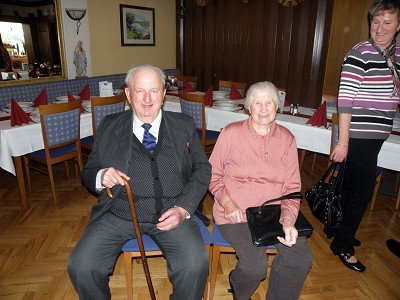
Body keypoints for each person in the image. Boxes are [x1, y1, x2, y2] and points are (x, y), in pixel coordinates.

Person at [68, 65, 211, 299]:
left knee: (194, 267)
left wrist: (183, 209)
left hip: (172, 214)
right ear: (127, 94)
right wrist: (101, 174)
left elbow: (202, 168)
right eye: (139, 91)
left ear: (164, 94)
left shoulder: (183, 124)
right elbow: (89, 169)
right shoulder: (109, 125)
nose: (147, 99)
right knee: (82, 266)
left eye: (154, 91)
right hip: (119, 213)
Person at [208, 81, 313, 300]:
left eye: (269, 103)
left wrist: (288, 220)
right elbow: (212, 174)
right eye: (257, 103)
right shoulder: (230, 133)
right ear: (248, 107)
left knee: (299, 258)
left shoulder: (286, 139)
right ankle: (239, 288)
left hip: (273, 214)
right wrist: (227, 201)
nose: (263, 109)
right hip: (236, 214)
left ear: (277, 106)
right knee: (254, 267)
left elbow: (292, 187)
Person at [329, 0, 400, 273]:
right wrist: (343, 142)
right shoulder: (361, 52)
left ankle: (338, 229)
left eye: (387, 22)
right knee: (362, 191)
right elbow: (344, 99)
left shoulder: (392, 54)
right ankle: (343, 245)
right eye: (375, 21)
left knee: (349, 186)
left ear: (398, 26)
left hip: (377, 134)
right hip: (359, 135)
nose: (379, 28)